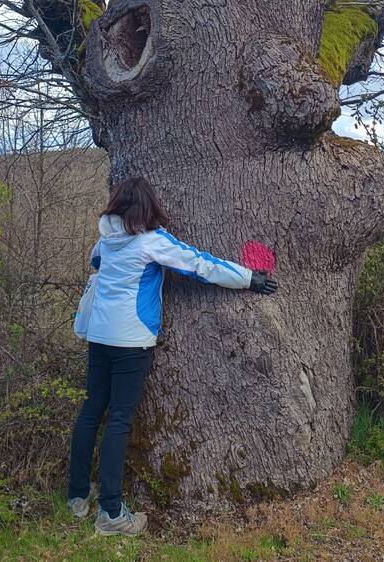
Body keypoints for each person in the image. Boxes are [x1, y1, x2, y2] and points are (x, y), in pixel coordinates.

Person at [67, 176, 278, 536]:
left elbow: (95, 260)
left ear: (117, 207)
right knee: (119, 420)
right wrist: (248, 278)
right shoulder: (152, 242)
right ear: (149, 208)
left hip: (99, 335)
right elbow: (200, 265)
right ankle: (112, 514)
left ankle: (77, 497)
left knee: (91, 411)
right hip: (131, 339)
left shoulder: (106, 239)